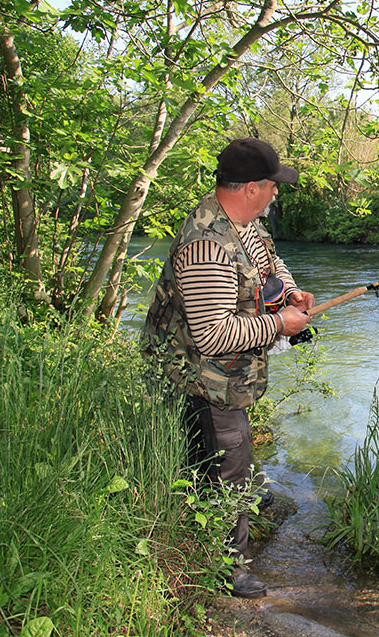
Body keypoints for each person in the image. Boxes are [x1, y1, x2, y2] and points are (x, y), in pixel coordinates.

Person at [141, 138, 315, 599]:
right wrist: (280, 323)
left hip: (226, 378)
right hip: (199, 379)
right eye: (273, 186)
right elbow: (213, 336)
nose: (277, 193)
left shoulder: (246, 225)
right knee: (227, 461)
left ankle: (242, 497)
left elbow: (271, 265)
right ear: (251, 188)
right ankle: (226, 568)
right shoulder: (207, 247)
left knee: (229, 453)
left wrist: (290, 294)